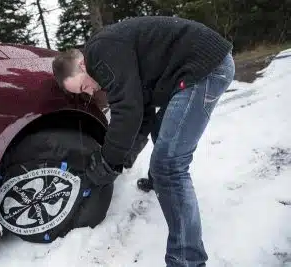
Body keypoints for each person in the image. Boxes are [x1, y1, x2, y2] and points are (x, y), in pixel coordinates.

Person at [52, 15, 235, 267]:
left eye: (83, 86)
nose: (89, 92)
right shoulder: (109, 58)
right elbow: (144, 111)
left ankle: (186, 260)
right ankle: (157, 180)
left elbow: (128, 110)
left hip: (205, 67)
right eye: (81, 93)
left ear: (82, 65)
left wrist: (107, 162)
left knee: (169, 167)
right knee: (164, 133)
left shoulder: (100, 53)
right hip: (192, 69)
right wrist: (125, 156)